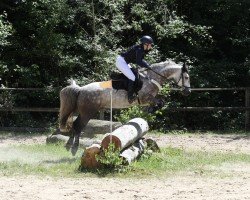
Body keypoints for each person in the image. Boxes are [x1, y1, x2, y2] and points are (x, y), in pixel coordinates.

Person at [116, 35, 154, 103]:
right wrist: (147, 66)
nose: (151, 46)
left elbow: (140, 60)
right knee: (132, 77)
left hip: (125, 62)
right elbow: (139, 61)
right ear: (146, 44)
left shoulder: (140, 49)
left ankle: (133, 91)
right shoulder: (139, 50)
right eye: (150, 45)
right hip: (121, 62)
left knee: (135, 73)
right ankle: (130, 97)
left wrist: (147, 65)